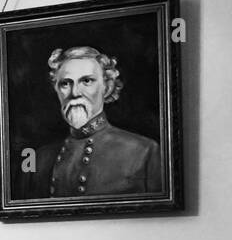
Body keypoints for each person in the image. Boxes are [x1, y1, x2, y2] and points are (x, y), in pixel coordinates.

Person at [20, 46, 161, 199]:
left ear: (107, 87)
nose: (74, 93)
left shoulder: (144, 151)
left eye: (87, 81)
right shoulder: (40, 159)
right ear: (57, 90)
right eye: (65, 83)